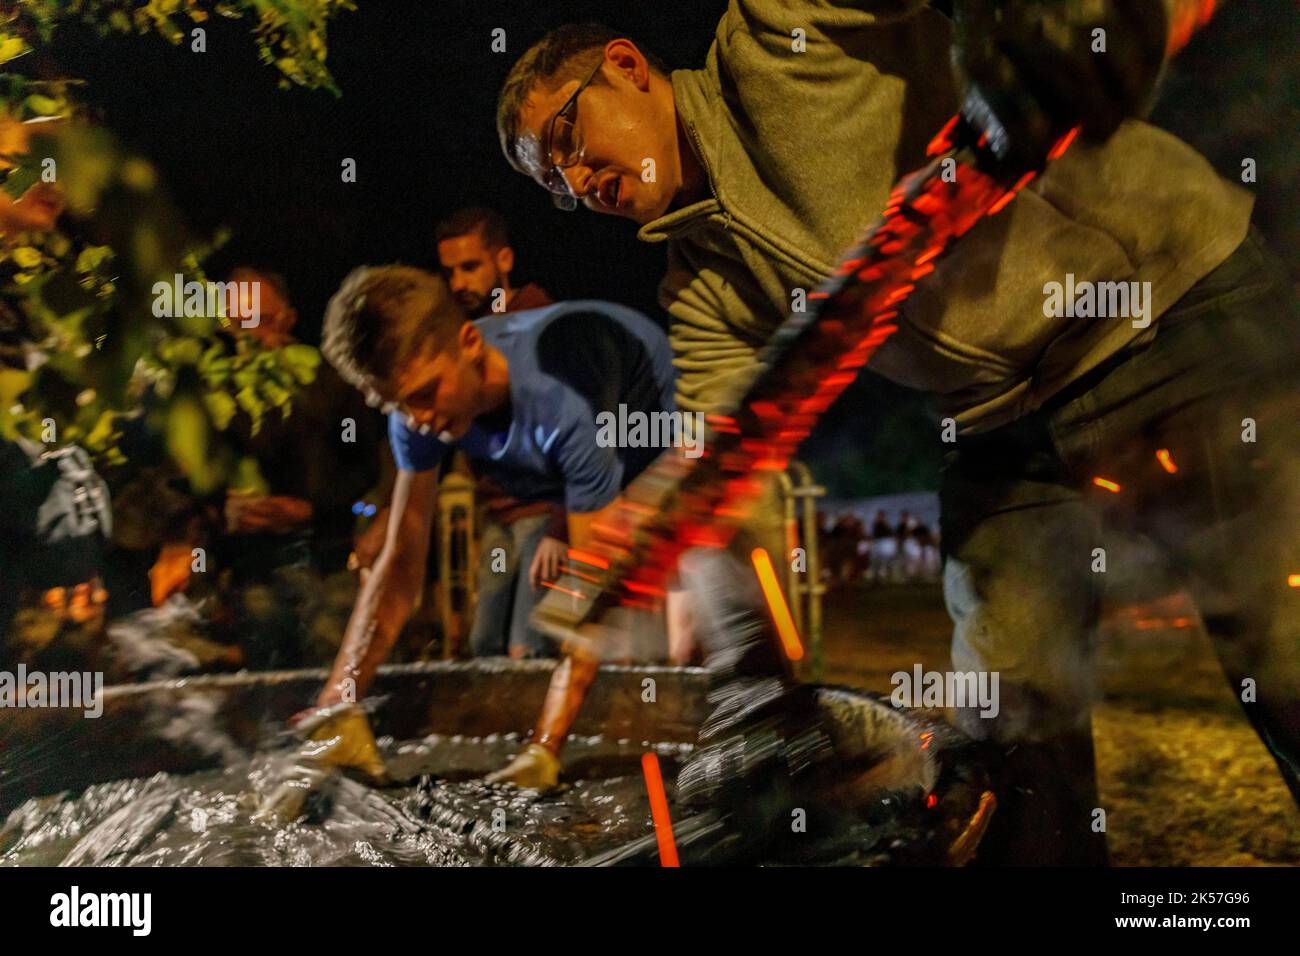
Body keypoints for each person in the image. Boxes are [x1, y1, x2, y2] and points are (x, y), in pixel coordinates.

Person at [495, 2, 1300, 863]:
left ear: (626, 64)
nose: (579, 182)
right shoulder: (702, 290)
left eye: (569, 139)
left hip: (1172, 309)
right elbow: (728, 473)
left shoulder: (777, 30)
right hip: (1003, 420)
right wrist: (746, 676)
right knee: (1003, 722)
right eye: (555, 186)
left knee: (1283, 652)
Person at [282, 265, 677, 793]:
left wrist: (544, 748)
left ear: (469, 341)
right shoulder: (416, 409)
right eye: (399, 406)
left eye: (424, 394)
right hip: (556, 473)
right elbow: (401, 559)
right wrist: (338, 702)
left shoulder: (560, 402)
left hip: (659, 437)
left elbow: (591, 587)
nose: (417, 419)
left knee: (673, 620)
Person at [435, 207, 562, 658]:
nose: (458, 283)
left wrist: (562, 526)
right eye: (450, 271)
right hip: (499, 514)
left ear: (503, 260)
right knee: (484, 642)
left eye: (470, 267)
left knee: (527, 646)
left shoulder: (538, 320)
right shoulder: (465, 335)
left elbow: (582, 423)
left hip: (543, 510)